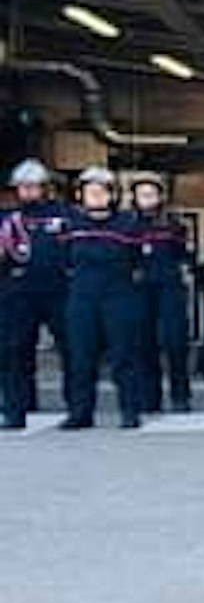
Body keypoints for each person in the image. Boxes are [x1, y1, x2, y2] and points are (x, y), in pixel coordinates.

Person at [57, 167, 144, 430]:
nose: (95, 197)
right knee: (80, 357)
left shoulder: (128, 224)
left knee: (124, 356)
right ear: (80, 195)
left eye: (101, 192)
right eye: (90, 192)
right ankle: (80, 413)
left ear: (112, 195)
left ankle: (130, 411)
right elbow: (62, 260)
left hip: (118, 294)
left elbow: (139, 260)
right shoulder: (71, 225)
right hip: (82, 296)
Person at [128, 172, 194, 414]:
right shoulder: (127, 224)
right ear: (134, 197)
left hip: (169, 286)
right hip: (139, 288)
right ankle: (149, 397)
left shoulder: (173, 224)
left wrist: (184, 271)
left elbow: (184, 254)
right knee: (144, 343)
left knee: (175, 341)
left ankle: (180, 395)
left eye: (151, 194)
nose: (147, 199)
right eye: (142, 194)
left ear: (160, 196)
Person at [10, 159, 68, 414]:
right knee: (17, 349)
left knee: (71, 349)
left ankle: (76, 404)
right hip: (20, 293)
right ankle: (21, 403)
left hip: (60, 292)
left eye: (33, 187)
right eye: (23, 188)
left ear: (45, 188)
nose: (28, 192)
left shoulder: (65, 215)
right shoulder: (9, 221)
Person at [0, 202, 30, 428]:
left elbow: (23, 254)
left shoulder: (10, 221)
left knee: (9, 353)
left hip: (6, 290)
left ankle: (14, 411)